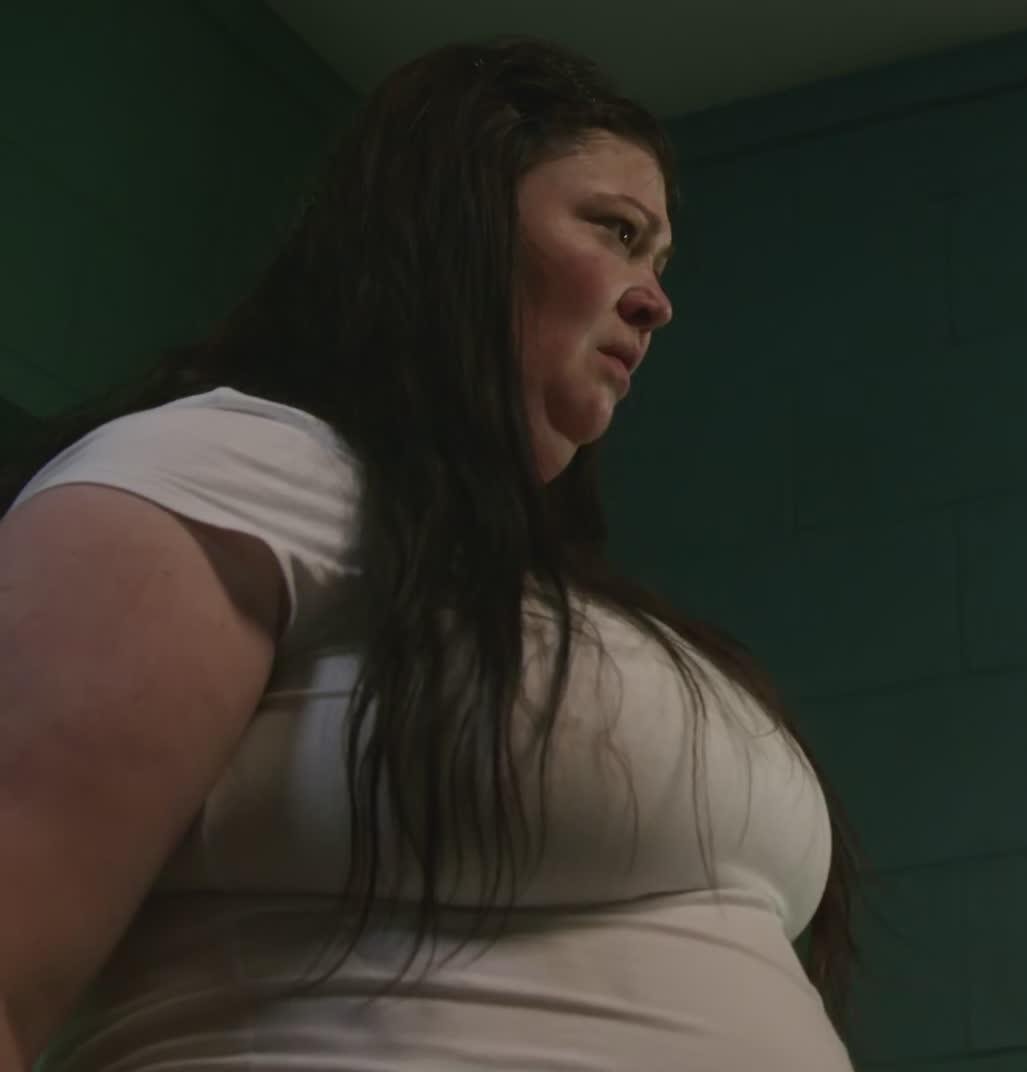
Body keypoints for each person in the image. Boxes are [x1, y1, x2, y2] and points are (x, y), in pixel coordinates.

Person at [0, 38, 857, 1072]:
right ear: (457, 220)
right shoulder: (231, 468)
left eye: (659, 262)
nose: (654, 300)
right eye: (616, 231)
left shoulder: (516, 587)